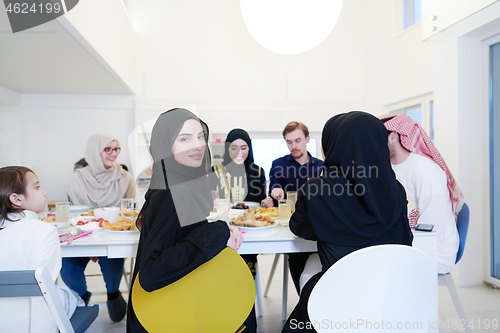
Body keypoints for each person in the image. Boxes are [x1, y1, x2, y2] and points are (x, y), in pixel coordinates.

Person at [282, 111, 413, 332]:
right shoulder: (395, 188)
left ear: (334, 146)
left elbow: (298, 227)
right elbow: (405, 239)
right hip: (390, 294)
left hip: (340, 294)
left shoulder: (316, 190)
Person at [127, 108, 244, 332]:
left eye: (200, 137)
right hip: (163, 314)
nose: (197, 145)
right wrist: (219, 233)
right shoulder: (174, 191)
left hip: (169, 302)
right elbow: (151, 274)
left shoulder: (174, 180)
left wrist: (218, 238)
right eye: (184, 139)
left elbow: (181, 238)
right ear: (165, 145)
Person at [62, 133, 136, 322]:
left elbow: (127, 212)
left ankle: (113, 293)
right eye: (108, 149)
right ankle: (80, 297)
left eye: (116, 149)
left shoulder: (125, 178)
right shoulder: (76, 179)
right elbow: (75, 214)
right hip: (81, 236)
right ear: (94, 152)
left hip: (111, 236)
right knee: (67, 266)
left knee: (113, 264)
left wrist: (103, 241)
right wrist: (90, 246)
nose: (113, 154)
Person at [0, 166, 83, 332]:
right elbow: (42, 291)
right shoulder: (44, 232)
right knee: (73, 297)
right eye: (37, 187)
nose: (44, 193)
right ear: (16, 199)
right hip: (29, 322)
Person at [380, 114, 464, 274]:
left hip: (434, 250)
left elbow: (432, 226)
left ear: (393, 137)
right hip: (403, 243)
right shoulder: (386, 169)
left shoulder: (425, 170)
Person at [210, 128, 268, 333]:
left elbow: (261, 203)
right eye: (233, 148)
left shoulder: (258, 171)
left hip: (247, 229)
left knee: (245, 263)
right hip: (222, 227)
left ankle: (243, 305)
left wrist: (266, 201)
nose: (239, 152)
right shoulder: (216, 170)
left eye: (243, 147)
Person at [266, 121, 324, 293]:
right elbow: (274, 185)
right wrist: (275, 190)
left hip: (316, 225)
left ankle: (317, 296)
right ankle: (304, 298)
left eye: (297, 140)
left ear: (307, 139)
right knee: (297, 255)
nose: (293, 146)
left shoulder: (321, 167)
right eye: (289, 142)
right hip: (290, 225)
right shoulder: (278, 164)